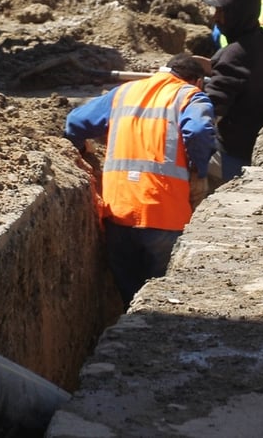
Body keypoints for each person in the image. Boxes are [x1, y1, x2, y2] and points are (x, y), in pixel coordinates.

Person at [64, 54, 216, 308]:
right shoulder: (191, 96)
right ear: (197, 81)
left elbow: (76, 122)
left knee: (130, 299)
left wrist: (81, 150)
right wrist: (198, 169)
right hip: (165, 215)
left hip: (118, 214)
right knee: (163, 302)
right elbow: (199, 131)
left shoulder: (123, 93)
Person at [202, 0, 263, 186]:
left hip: (231, 153)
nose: (215, 18)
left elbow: (211, 109)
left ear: (237, 14)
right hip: (253, 143)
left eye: (221, 12)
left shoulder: (234, 55)